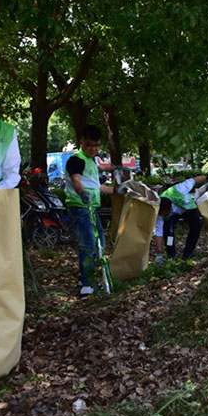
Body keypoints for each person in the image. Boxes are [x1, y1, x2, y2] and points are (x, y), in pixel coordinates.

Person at [64, 125, 128, 298]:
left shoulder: (91, 161)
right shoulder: (76, 160)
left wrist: (116, 190)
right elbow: (76, 180)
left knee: (99, 242)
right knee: (88, 245)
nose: (93, 148)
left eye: (96, 145)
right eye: (89, 145)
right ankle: (86, 285)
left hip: (90, 209)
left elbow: (96, 185)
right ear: (81, 143)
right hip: (80, 208)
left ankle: (85, 278)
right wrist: (81, 193)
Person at [153, 174, 208, 262]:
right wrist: (159, 253)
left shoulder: (179, 189)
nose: (165, 215)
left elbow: (193, 180)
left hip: (188, 209)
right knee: (168, 232)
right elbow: (158, 233)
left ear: (170, 208)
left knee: (196, 226)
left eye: (167, 213)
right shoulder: (160, 212)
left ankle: (188, 253)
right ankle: (171, 254)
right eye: (164, 215)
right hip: (174, 214)